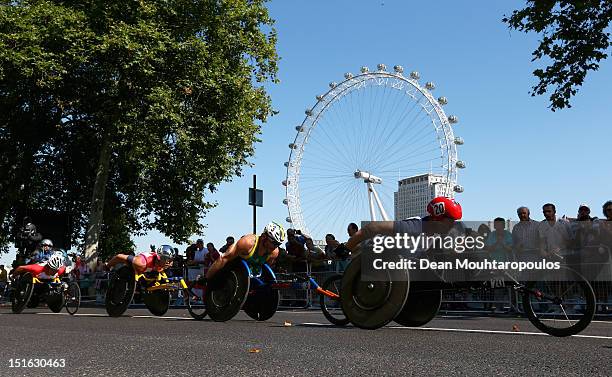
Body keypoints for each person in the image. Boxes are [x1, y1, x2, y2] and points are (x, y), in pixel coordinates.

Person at [342, 196, 463, 254]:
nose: (452, 226)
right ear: (436, 219)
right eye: (450, 222)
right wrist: (347, 248)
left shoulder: (436, 235)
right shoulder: (414, 227)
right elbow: (373, 227)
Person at [206, 222, 285, 279]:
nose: (275, 247)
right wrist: (207, 278)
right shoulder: (247, 243)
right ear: (264, 237)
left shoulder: (274, 253)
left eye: (278, 244)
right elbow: (223, 259)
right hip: (234, 266)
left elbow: (266, 270)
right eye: (274, 243)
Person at [105, 245, 174, 274]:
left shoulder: (167, 264)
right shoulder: (140, 263)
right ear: (159, 258)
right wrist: (107, 267)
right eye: (167, 259)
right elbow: (118, 256)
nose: (169, 263)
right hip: (140, 264)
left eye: (170, 260)